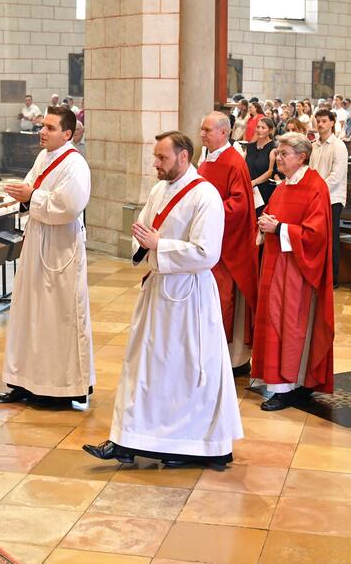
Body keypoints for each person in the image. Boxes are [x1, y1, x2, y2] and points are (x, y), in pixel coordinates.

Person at [83, 132, 243, 467]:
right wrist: (146, 244)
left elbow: (207, 253)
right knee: (144, 366)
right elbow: (142, 231)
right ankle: (128, 439)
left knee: (185, 370)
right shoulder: (159, 190)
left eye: (162, 158)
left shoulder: (206, 196)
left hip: (189, 297)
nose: (155, 164)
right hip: (158, 292)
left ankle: (191, 445)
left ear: (184, 157)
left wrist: (160, 245)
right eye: (155, 157)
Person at [0, 106, 94, 406]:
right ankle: (24, 381)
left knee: (56, 316)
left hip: (60, 246)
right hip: (37, 238)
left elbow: (69, 206)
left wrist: (31, 197)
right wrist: (23, 195)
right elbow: (30, 187)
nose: (42, 131)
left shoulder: (75, 164)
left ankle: (57, 389)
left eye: (50, 128)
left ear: (67, 134)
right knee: (29, 312)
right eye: (42, 126)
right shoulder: (43, 157)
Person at [252, 132, 335, 412]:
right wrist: (265, 224)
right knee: (274, 323)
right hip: (275, 265)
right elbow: (272, 217)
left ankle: (289, 386)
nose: (278, 158)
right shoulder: (284, 186)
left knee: (290, 325)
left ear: (301, 157)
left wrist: (279, 228)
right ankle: (281, 383)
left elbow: (317, 234)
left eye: (284, 153)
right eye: (278, 152)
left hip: (298, 271)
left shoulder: (315, 186)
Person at [197, 112, 259, 374]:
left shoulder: (234, 162)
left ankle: (230, 360)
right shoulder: (207, 160)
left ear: (224, 132)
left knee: (224, 300)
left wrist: (206, 212)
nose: (202, 134)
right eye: (202, 129)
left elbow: (239, 205)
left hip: (228, 245)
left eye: (207, 130)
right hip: (208, 240)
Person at [309, 109, 348, 285]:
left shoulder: (338, 145)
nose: (320, 124)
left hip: (332, 198)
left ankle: (333, 278)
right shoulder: (314, 145)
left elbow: (336, 175)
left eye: (324, 121)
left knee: (330, 238)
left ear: (332, 123)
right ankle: (318, 273)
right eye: (318, 121)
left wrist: (317, 189)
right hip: (315, 196)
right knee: (316, 237)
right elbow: (310, 171)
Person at [243, 117, 277, 213]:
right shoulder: (250, 147)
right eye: (258, 127)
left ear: (270, 130)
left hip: (263, 189)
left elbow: (270, 171)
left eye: (263, 128)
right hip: (248, 186)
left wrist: (254, 182)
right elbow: (243, 165)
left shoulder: (273, 148)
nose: (259, 130)